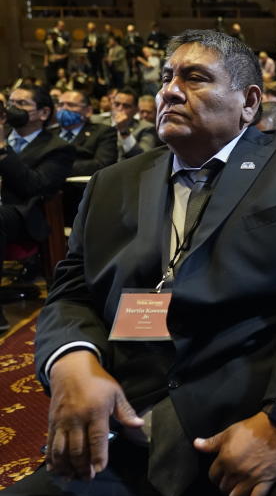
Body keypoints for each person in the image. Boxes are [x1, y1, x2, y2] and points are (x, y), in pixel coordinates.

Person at [15, 29, 276, 496]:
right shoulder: (112, 184)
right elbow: (72, 293)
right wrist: (72, 361)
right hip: (130, 424)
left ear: (249, 102)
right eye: (166, 77)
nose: (170, 90)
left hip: (272, 422)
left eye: (195, 77)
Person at [0, 84, 75, 332]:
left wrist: (2, 149)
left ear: (43, 113)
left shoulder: (57, 148)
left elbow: (34, 185)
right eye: (11, 102)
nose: (13, 109)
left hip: (24, 216)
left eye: (21, 104)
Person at [54, 90, 118, 176]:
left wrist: (55, 168)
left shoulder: (103, 132)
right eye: (60, 105)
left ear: (88, 111)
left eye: (71, 105)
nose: (64, 108)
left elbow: (102, 165)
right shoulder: (49, 133)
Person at [91, 88, 158, 160]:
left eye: (126, 106)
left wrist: (124, 131)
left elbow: (144, 158)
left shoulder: (146, 128)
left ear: (136, 110)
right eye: (117, 104)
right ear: (112, 105)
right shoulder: (96, 121)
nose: (120, 109)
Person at [44, 20, 70, 87]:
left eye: (54, 35)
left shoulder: (62, 43)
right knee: (49, 79)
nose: (52, 37)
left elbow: (67, 53)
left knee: (60, 79)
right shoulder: (48, 43)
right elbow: (46, 52)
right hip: (51, 64)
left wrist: (60, 57)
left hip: (60, 64)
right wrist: (46, 61)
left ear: (57, 35)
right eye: (51, 35)